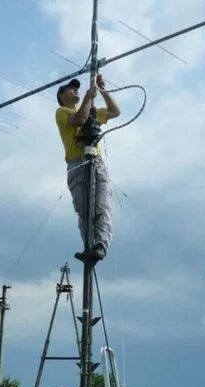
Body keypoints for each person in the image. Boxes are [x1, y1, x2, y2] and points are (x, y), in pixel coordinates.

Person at [55, 73, 121, 262]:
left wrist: (101, 90)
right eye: (70, 88)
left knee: (101, 205)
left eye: (76, 87)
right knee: (84, 210)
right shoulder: (62, 112)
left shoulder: (90, 110)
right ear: (61, 96)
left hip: (96, 162)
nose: (75, 88)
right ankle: (88, 246)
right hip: (76, 163)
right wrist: (88, 97)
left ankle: (99, 245)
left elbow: (115, 112)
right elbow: (79, 120)